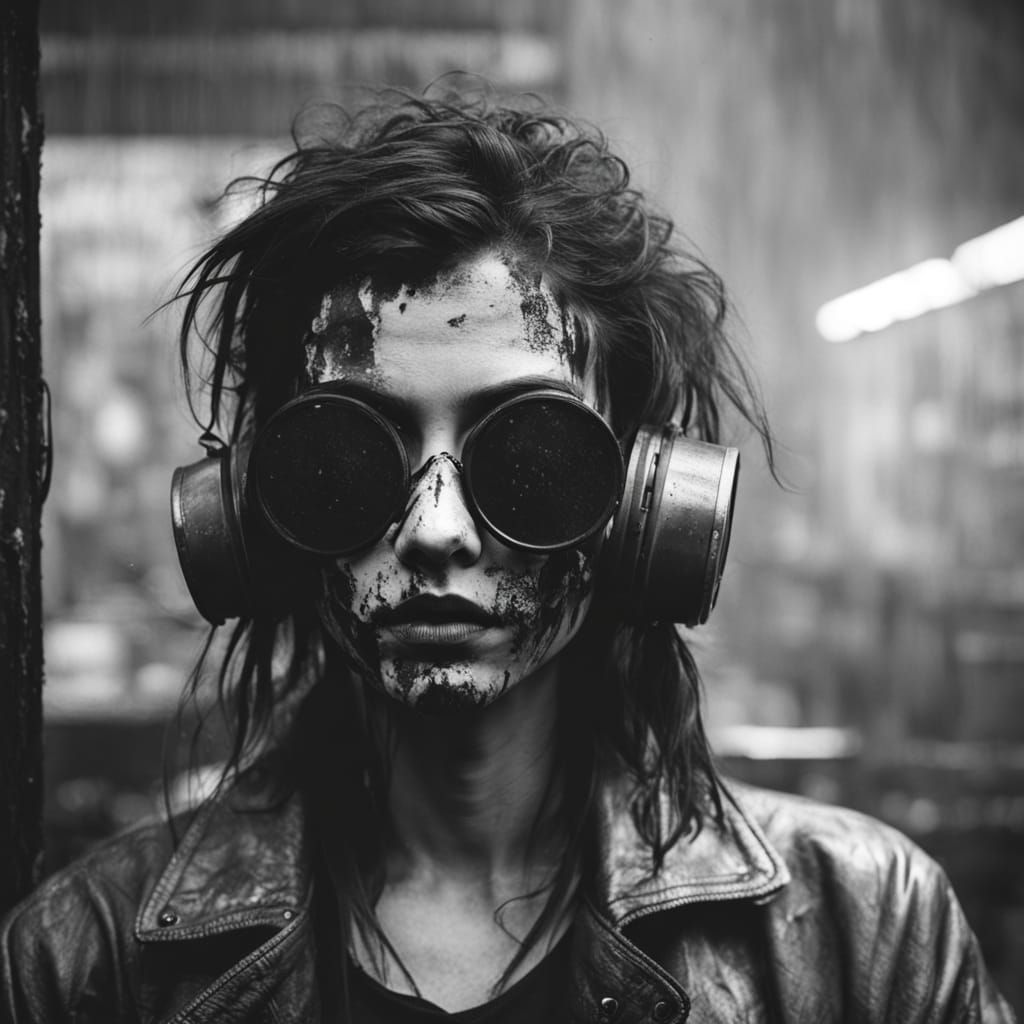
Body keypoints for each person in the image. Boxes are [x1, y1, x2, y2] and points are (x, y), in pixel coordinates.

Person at [1, 89, 1013, 1023]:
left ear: (647, 501)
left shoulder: (868, 929)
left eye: (531, 454)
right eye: (348, 454)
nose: (435, 530)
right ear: (257, 511)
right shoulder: (84, 961)